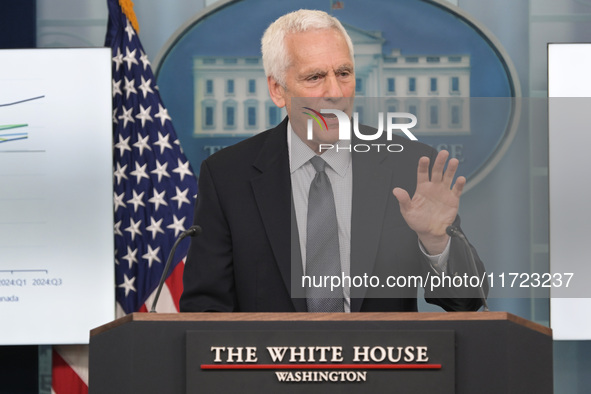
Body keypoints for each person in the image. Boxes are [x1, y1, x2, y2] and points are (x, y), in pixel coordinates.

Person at [180, 9, 486, 313]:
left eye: (344, 73)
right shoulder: (227, 176)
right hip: (270, 361)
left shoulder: (408, 165)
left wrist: (436, 242)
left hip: (384, 361)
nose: (335, 92)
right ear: (277, 90)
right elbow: (205, 310)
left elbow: (468, 301)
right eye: (314, 77)